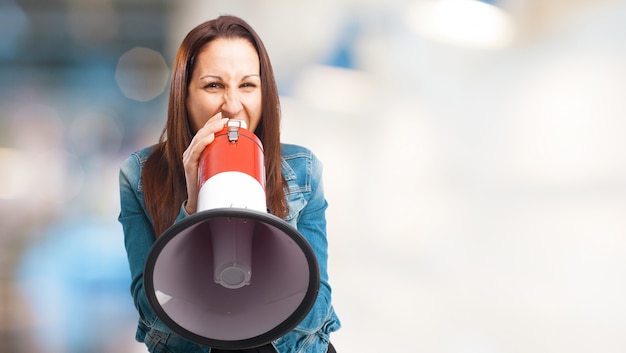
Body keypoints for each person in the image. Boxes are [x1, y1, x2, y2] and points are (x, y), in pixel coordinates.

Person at [118, 15, 341, 353]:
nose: (233, 105)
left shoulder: (302, 170)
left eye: (248, 85)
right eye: (213, 85)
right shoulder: (140, 176)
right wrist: (193, 209)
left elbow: (316, 310)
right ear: (184, 95)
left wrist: (261, 219)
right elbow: (155, 319)